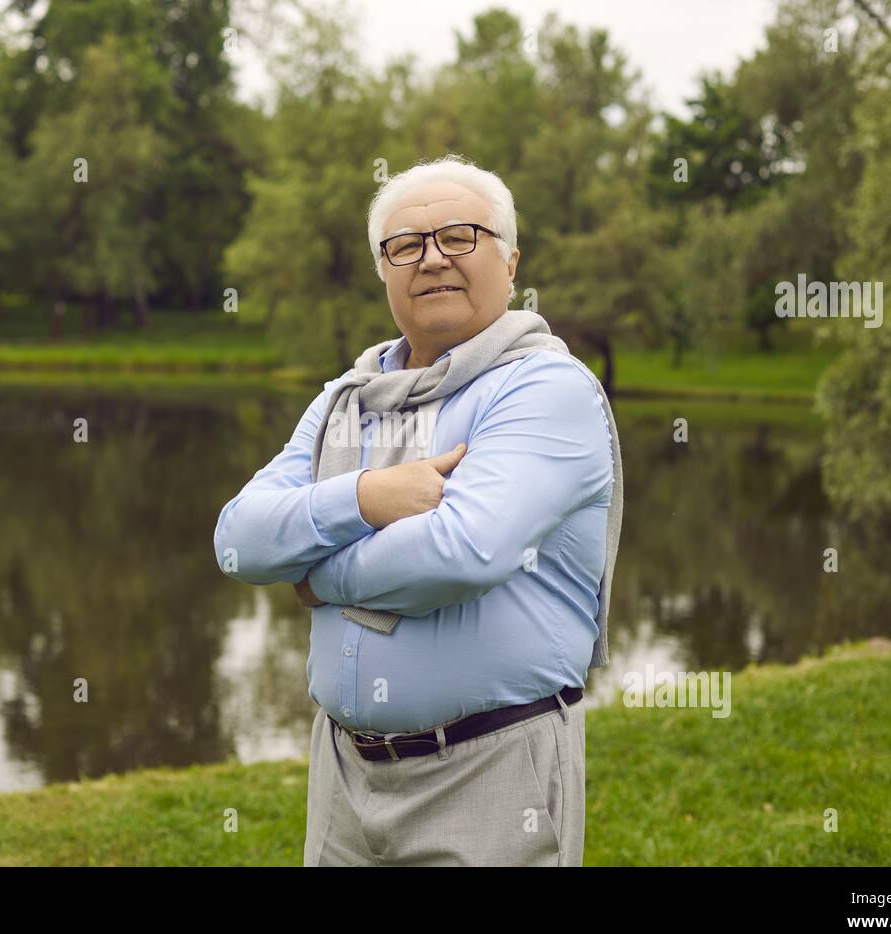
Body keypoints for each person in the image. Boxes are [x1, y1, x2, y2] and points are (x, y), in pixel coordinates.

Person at [213, 153, 622, 866]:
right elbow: (239, 541)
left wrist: (314, 575)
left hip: (490, 767)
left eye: (460, 236)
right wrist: (369, 496)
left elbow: (460, 554)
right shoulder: (350, 395)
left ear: (511, 259)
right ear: (383, 270)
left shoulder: (545, 391)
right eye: (405, 245)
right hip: (342, 771)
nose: (432, 259)